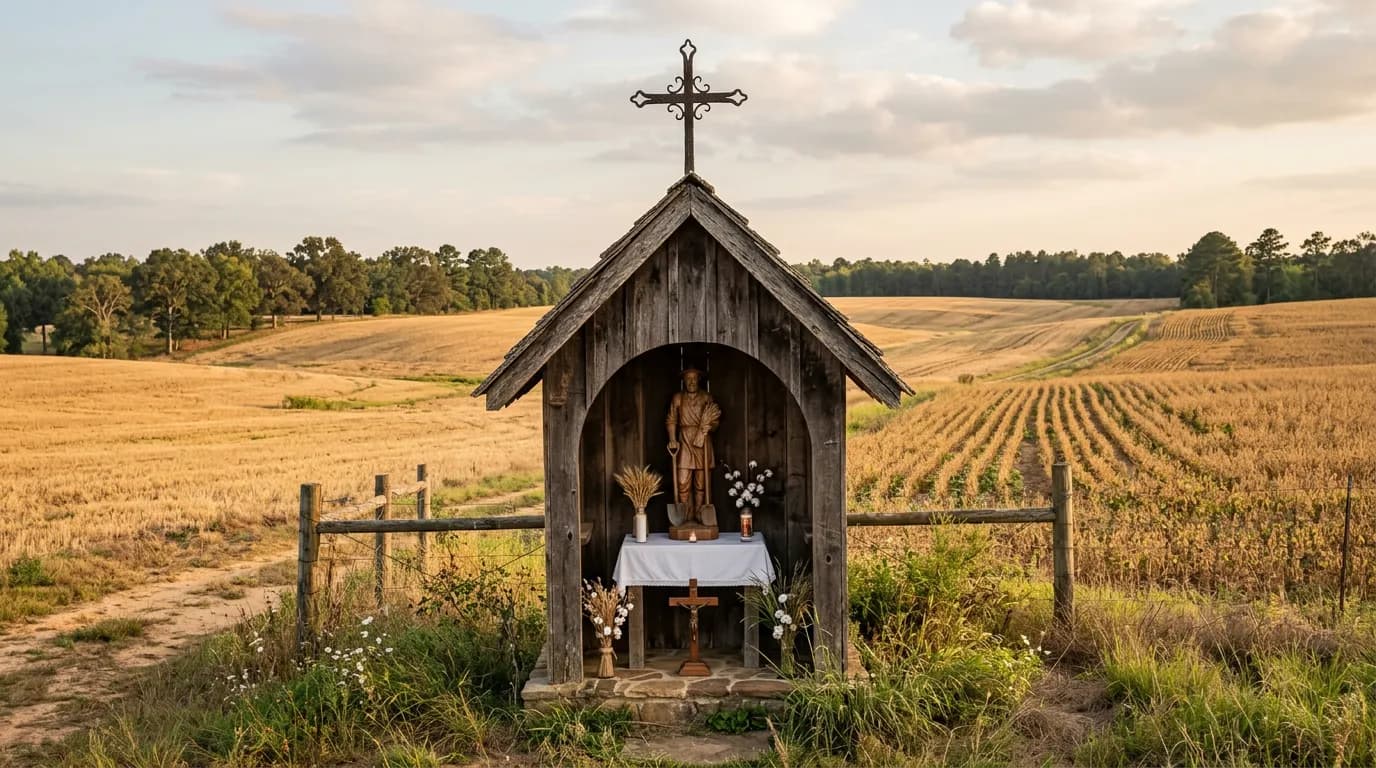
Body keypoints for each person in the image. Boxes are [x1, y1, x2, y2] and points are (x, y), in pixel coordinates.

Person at [665, 368, 719, 524]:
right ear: (684, 381)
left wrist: (708, 427)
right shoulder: (678, 398)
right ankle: (685, 515)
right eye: (688, 379)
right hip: (684, 441)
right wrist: (673, 439)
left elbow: (715, 421)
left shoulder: (706, 398)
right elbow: (671, 420)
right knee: (682, 482)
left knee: (701, 483)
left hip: (702, 441)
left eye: (694, 378)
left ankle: (699, 514)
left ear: (699, 380)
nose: (691, 382)